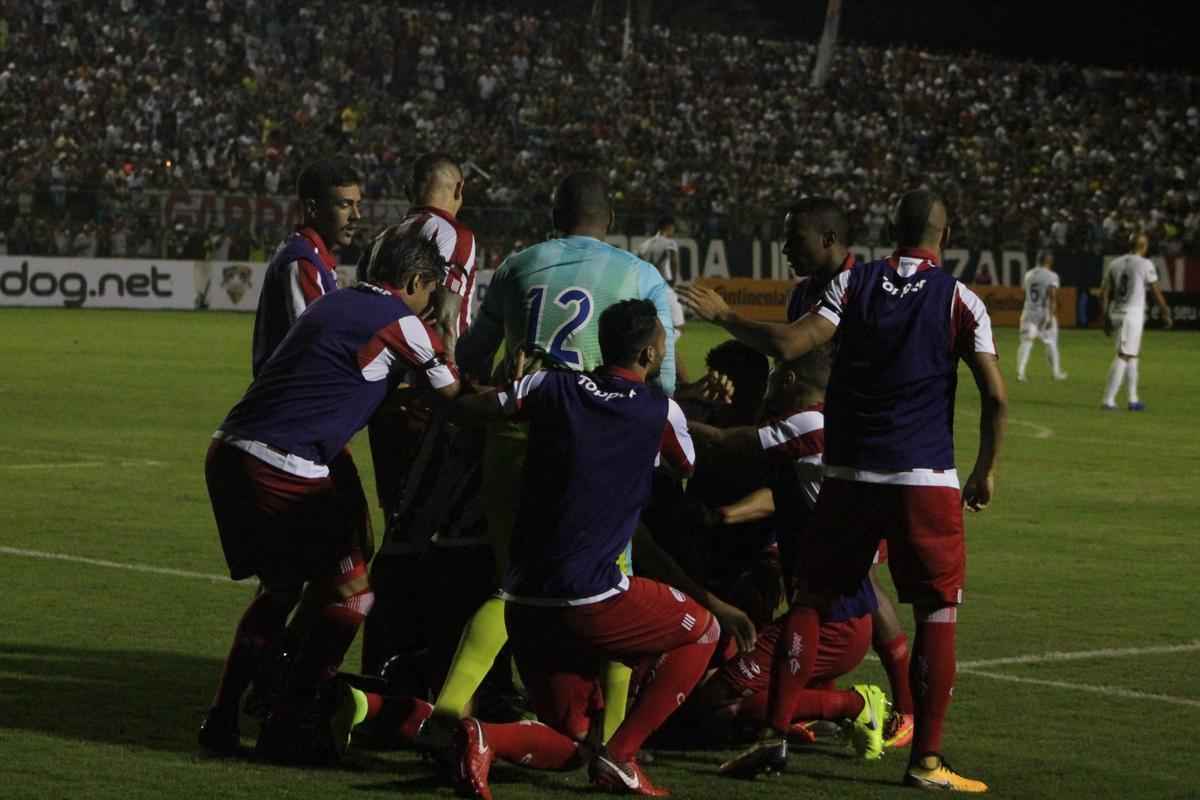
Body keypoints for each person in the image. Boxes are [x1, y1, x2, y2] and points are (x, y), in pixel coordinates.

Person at [680, 189, 1007, 793]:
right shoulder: (961, 298)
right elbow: (995, 395)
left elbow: (790, 345)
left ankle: (774, 735)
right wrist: (986, 468)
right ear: (946, 233)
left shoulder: (855, 287)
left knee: (810, 597)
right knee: (935, 610)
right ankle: (927, 761)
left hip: (849, 469)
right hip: (922, 475)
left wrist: (725, 317)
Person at [449, 299, 748, 798]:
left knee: (574, 743)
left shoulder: (548, 387)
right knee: (704, 630)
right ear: (650, 354)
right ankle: (624, 756)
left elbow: (471, 407)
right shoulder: (659, 411)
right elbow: (686, 466)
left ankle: (484, 737)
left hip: (523, 598)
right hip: (589, 596)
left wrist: (503, 382)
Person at [424, 171, 680, 740]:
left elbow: (472, 353)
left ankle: (452, 705)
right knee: (614, 581)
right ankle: (614, 737)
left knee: (516, 582)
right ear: (609, 221)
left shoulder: (518, 264)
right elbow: (661, 379)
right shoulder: (640, 275)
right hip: (596, 446)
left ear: (553, 215)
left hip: (518, 433)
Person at [199, 226, 459, 763]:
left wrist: (390, 402)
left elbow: (336, 378)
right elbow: (458, 398)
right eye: (430, 290)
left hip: (230, 450)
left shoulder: (336, 302)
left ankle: (225, 716)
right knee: (353, 593)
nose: (430, 301)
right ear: (414, 281)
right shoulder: (403, 322)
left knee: (283, 588)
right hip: (285, 464)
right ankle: (291, 723)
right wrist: (451, 340)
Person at [251, 158, 362, 377]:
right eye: (345, 205)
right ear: (312, 208)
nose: (356, 216)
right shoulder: (302, 261)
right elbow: (318, 345)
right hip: (292, 403)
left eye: (358, 205)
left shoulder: (312, 256)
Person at [1100, 232, 1173, 410]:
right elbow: (1156, 291)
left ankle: (1133, 399)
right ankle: (1108, 400)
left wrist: (1105, 316)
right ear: (1144, 246)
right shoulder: (1145, 264)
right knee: (1124, 355)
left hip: (1116, 312)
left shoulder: (1114, 263)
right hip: (1131, 314)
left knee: (1132, 355)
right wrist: (1165, 312)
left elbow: (1104, 292)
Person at [636, 216, 688, 381]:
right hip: (664, 287)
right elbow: (672, 259)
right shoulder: (669, 243)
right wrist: (673, 281)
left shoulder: (645, 245)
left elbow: (640, 265)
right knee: (679, 326)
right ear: (669, 227)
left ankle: (654, 349)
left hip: (648, 288)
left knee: (655, 322)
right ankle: (662, 351)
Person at [1016, 252, 1068, 382]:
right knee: (1051, 343)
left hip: (1028, 312)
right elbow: (1052, 296)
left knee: (1026, 342)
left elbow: (1026, 292)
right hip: (1043, 313)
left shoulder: (1028, 274)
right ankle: (1056, 373)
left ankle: (1020, 373)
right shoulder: (1051, 276)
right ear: (1048, 261)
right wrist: (1050, 317)